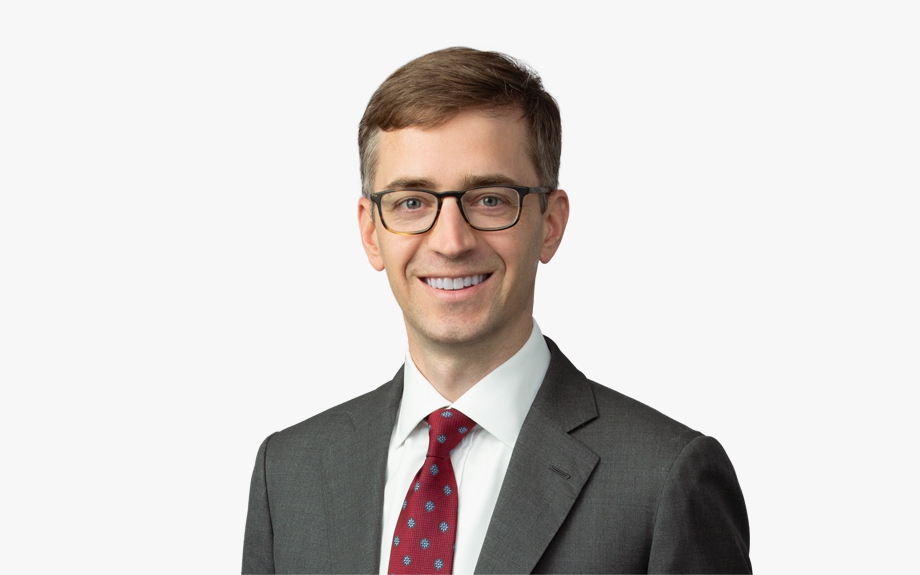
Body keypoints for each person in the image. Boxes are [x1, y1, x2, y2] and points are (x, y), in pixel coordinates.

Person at [242, 47, 752, 574]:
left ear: (550, 224)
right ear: (372, 232)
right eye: (412, 202)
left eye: (489, 199)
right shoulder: (289, 474)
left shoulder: (664, 480)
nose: (451, 242)